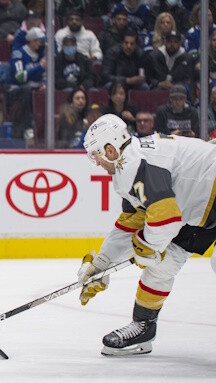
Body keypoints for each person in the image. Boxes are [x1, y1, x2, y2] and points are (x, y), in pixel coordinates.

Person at [78, 113, 216, 356]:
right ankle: (143, 326)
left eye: (97, 154)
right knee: (162, 265)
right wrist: (102, 262)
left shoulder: (135, 164)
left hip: (205, 198)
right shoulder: (127, 164)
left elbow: (166, 219)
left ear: (111, 150)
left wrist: (147, 247)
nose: (97, 162)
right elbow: (132, 221)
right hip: (199, 208)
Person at [7, 27, 46, 142]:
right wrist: (39, 67)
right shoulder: (18, 53)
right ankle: (27, 127)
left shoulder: (41, 55)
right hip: (16, 89)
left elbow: (45, 75)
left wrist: (44, 84)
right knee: (27, 90)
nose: (42, 44)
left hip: (34, 87)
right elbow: (20, 77)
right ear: (32, 41)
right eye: (40, 41)